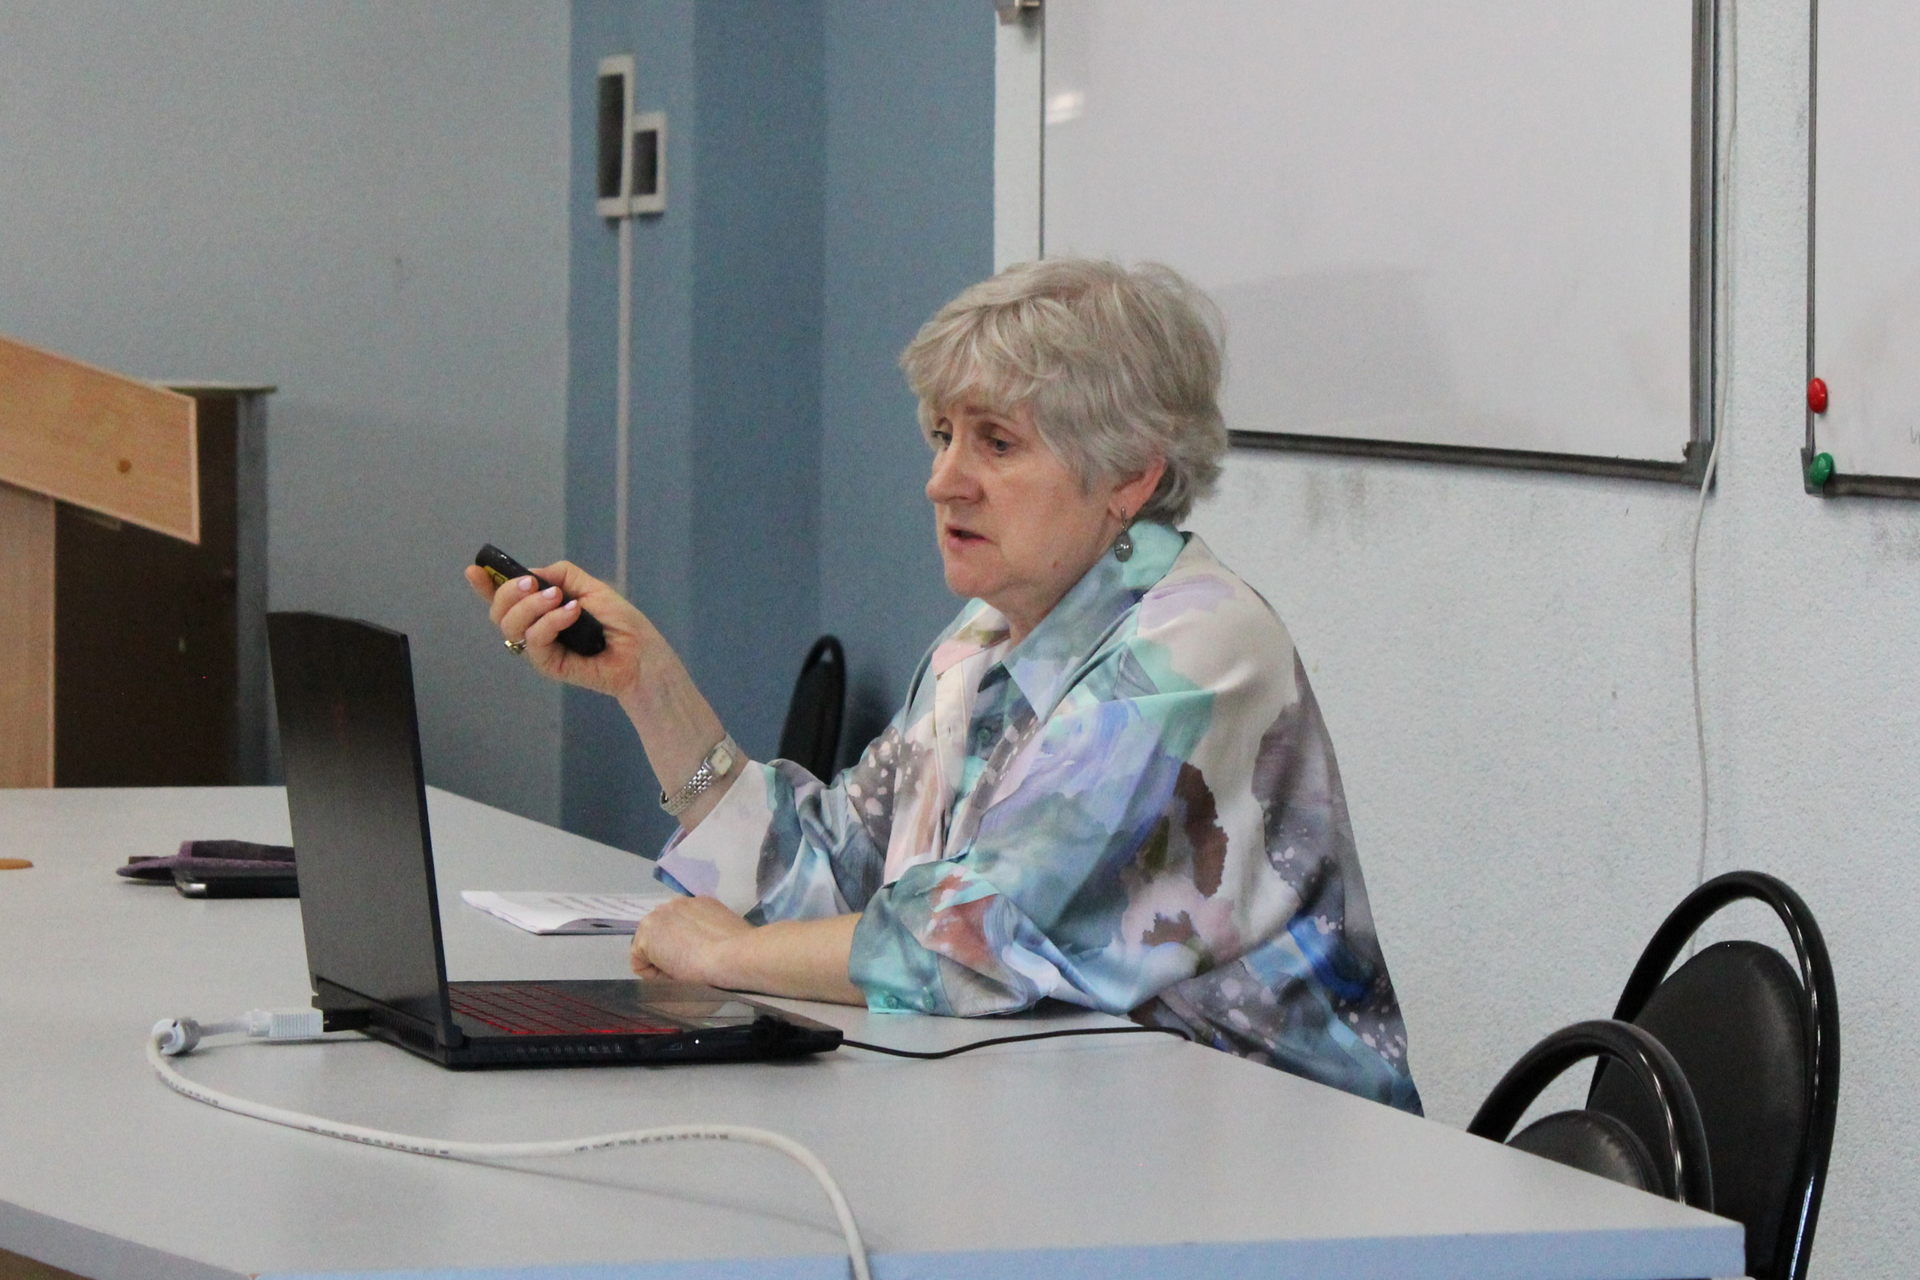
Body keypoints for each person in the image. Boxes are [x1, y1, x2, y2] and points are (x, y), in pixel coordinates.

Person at [468, 258, 1421, 1112]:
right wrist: (649, 685)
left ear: (1130, 475)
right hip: (1065, 1122)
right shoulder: (987, 638)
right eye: (941, 435)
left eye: (996, 444)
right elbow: (829, 877)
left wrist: (722, 955)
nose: (943, 482)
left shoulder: (1195, 650)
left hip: (1262, 1159)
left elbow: (971, 938)